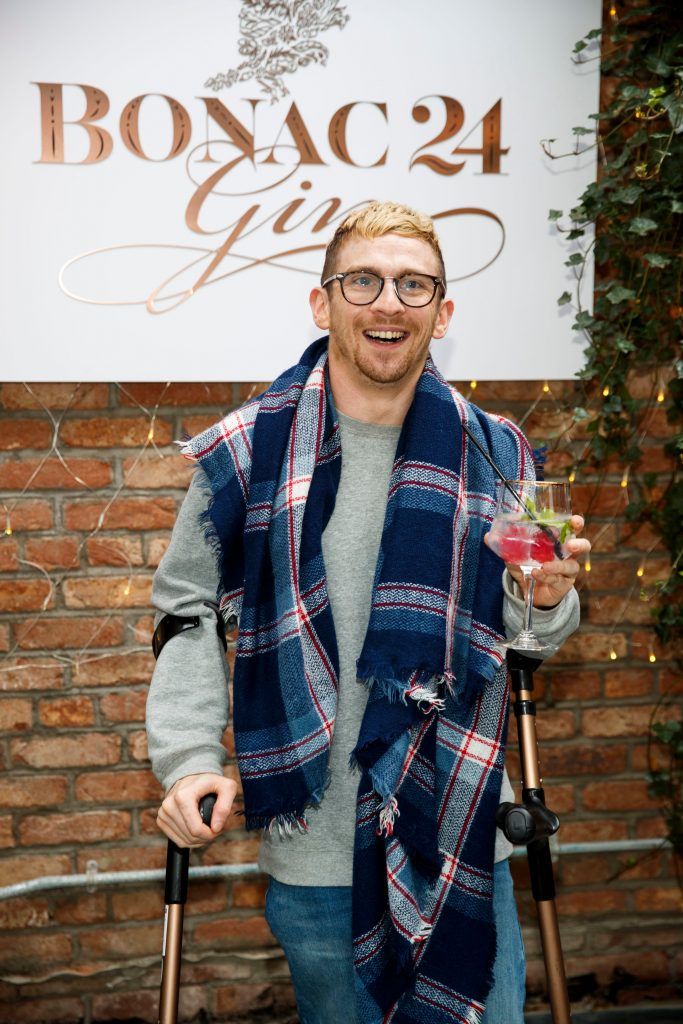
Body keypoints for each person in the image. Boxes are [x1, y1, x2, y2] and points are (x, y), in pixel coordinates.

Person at [146, 201, 589, 1024]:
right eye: (364, 281)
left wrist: (547, 599)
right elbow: (187, 615)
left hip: (459, 839)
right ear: (324, 302)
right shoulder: (247, 452)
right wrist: (186, 758)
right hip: (315, 854)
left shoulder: (498, 452)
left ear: (441, 312)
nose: (388, 302)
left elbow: (528, 638)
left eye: (413, 285)